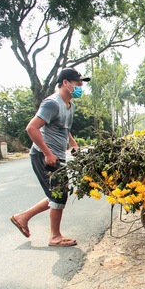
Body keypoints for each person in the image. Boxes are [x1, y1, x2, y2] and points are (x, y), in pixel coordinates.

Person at [10, 67, 90, 247]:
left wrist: (73, 144)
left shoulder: (70, 105)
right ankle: (54, 237)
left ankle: (22, 217)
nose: (80, 88)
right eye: (77, 84)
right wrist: (47, 153)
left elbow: (64, 129)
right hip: (43, 156)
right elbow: (32, 128)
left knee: (58, 194)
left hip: (58, 156)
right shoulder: (52, 103)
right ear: (65, 83)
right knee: (58, 195)